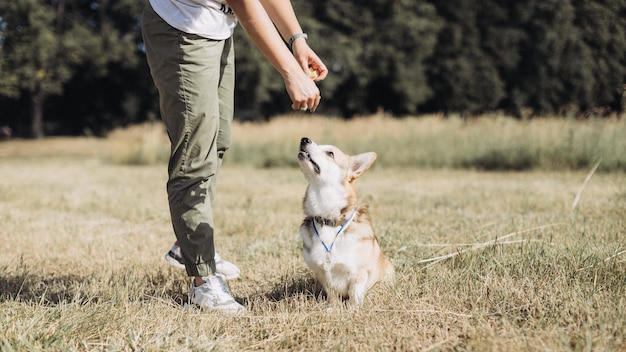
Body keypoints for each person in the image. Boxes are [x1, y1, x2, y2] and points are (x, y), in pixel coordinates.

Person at [142, 0, 327, 312]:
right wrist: (291, 72)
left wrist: (297, 40)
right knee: (195, 154)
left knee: (218, 142)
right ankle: (203, 283)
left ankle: (185, 244)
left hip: (217, 29)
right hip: (181, 28)